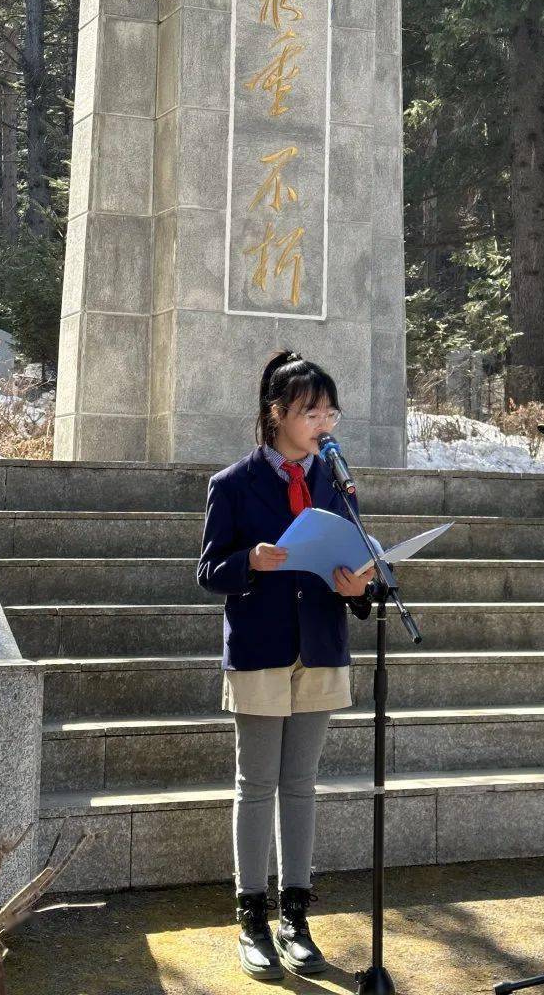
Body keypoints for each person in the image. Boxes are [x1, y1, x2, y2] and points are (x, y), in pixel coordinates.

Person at [197, 348, 373, 981]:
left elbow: (357, 559)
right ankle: (251, 918)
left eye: (330, 409)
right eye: (311, 410)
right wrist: (252, 562)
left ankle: (296, 916)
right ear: (277, 413)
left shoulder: (336, 480)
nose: (324, 421)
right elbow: (209, 571)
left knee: (302, 785)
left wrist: (362, 589)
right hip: (262, 647)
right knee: (257, 783)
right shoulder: (234, 484)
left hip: (320, 645)